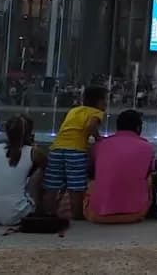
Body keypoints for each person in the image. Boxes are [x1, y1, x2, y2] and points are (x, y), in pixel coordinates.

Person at [43, 86, 107, 219]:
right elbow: (91, 126)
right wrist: (98, 138)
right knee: (76, 187)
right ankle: (77, 217)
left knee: (52, 185)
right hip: (76, 151)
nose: (106, 103)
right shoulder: (96, 112)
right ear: (99, 101)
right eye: (105, 100)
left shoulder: (74, 110)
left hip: (56, 149)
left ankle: (47, 214)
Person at [83, 110, 155, 224]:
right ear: (138, 128)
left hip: (96, 214)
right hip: (136, 213)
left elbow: (90, 171)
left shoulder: (100, 145)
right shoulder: (148, 147)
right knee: (150, 176)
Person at [0, 116, 46, 225]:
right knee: (40, 172)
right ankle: (41, 209)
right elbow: (47, 168)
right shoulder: (34, 152)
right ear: (29, 133)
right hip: (16, 213)